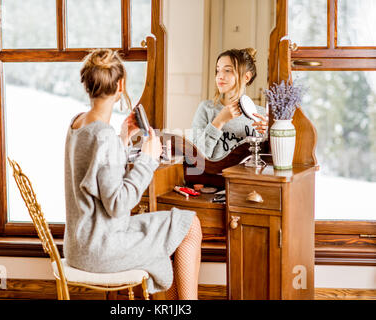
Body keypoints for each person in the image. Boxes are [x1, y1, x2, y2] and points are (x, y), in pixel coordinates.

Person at [63, 48, 202, 299]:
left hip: (79, 245)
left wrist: (123, 138)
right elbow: (118, 205)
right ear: (121, 85)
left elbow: (97, 170)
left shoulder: (78, 123)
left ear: (88, 84)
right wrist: (147, 160)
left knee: (175, 228)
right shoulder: (103, 136)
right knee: (190, 225)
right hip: (101, 249)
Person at [191, 48, 268, 160]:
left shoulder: (260, 114)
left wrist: (265, 136)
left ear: (246, 77)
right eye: (218, 70)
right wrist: (219, 121)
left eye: (227, 70)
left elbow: (266, 159)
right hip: (214, 176)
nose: (220, 76)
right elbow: (196, 159)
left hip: (249, 177)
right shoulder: (206, 109)